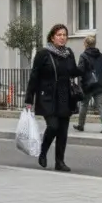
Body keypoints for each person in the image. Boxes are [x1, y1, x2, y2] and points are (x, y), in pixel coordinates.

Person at [24, 23, 81, 172]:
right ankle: (43, 152)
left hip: (64, 96)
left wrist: (85, 67)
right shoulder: (43, 53)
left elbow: (73, 72)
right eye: (59, 35)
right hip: (47, 96)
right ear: (52, 37)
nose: (62, 38)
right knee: (53, 126)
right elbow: (34, 76)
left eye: (64, 35)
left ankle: (59, 161)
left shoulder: (68, 53)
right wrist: (29, 98)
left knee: (63, 130)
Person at [74, 34, 102, 133]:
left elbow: (81, 70)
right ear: (94, 44)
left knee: (84, 105)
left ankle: (81, 125)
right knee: (101, 105)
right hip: (99, 85)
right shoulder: (101, 56)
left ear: (86, 44)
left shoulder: (83, 56)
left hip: (87, 85)